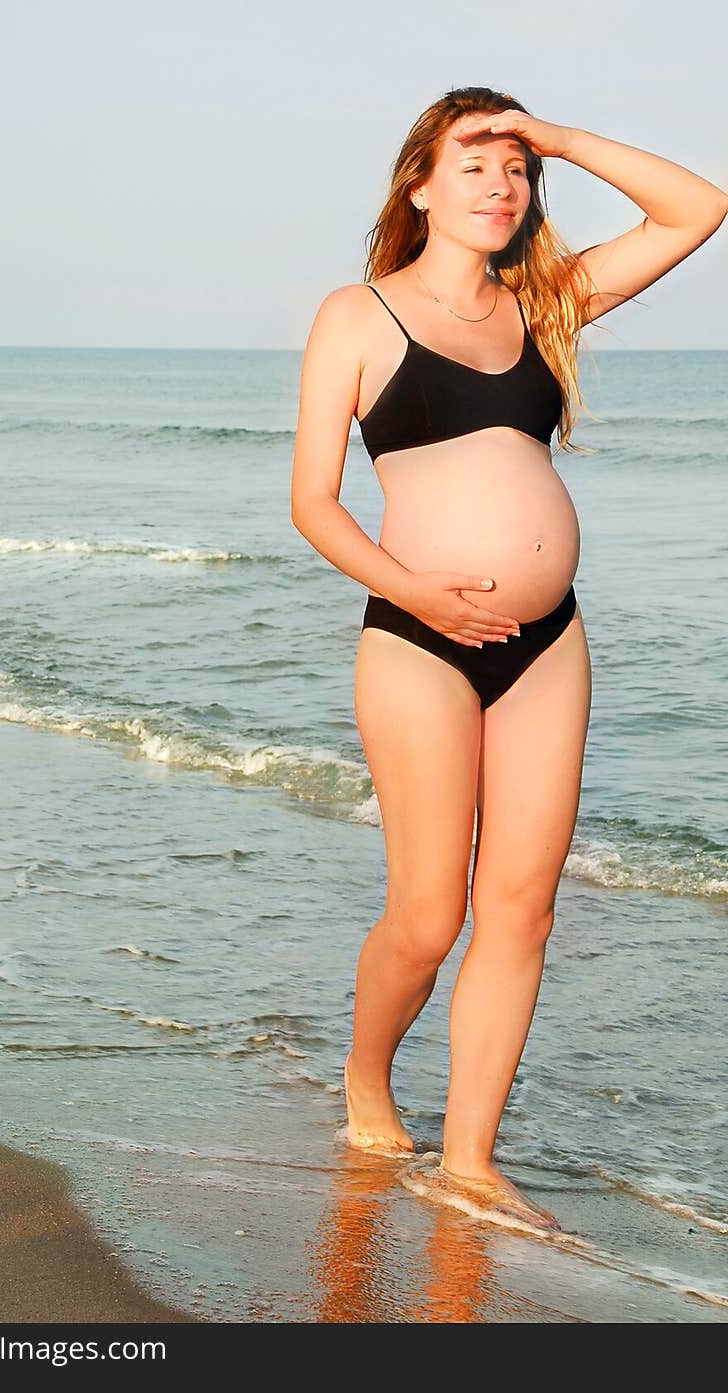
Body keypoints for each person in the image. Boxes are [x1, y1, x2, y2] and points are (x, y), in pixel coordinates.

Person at [290, 86, 727, 1232]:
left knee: (522, 913)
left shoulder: (548, 301)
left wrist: (564, 137)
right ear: (419, 185)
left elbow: (699, 208)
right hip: (419, 634)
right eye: (473, 162)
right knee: (428, 915)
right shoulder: (358, 315)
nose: (500, 183)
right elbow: (313, 503)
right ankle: (367, 1078)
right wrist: (413, 588)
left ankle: (471, 1158)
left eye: (516, 168)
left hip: (548, 640)